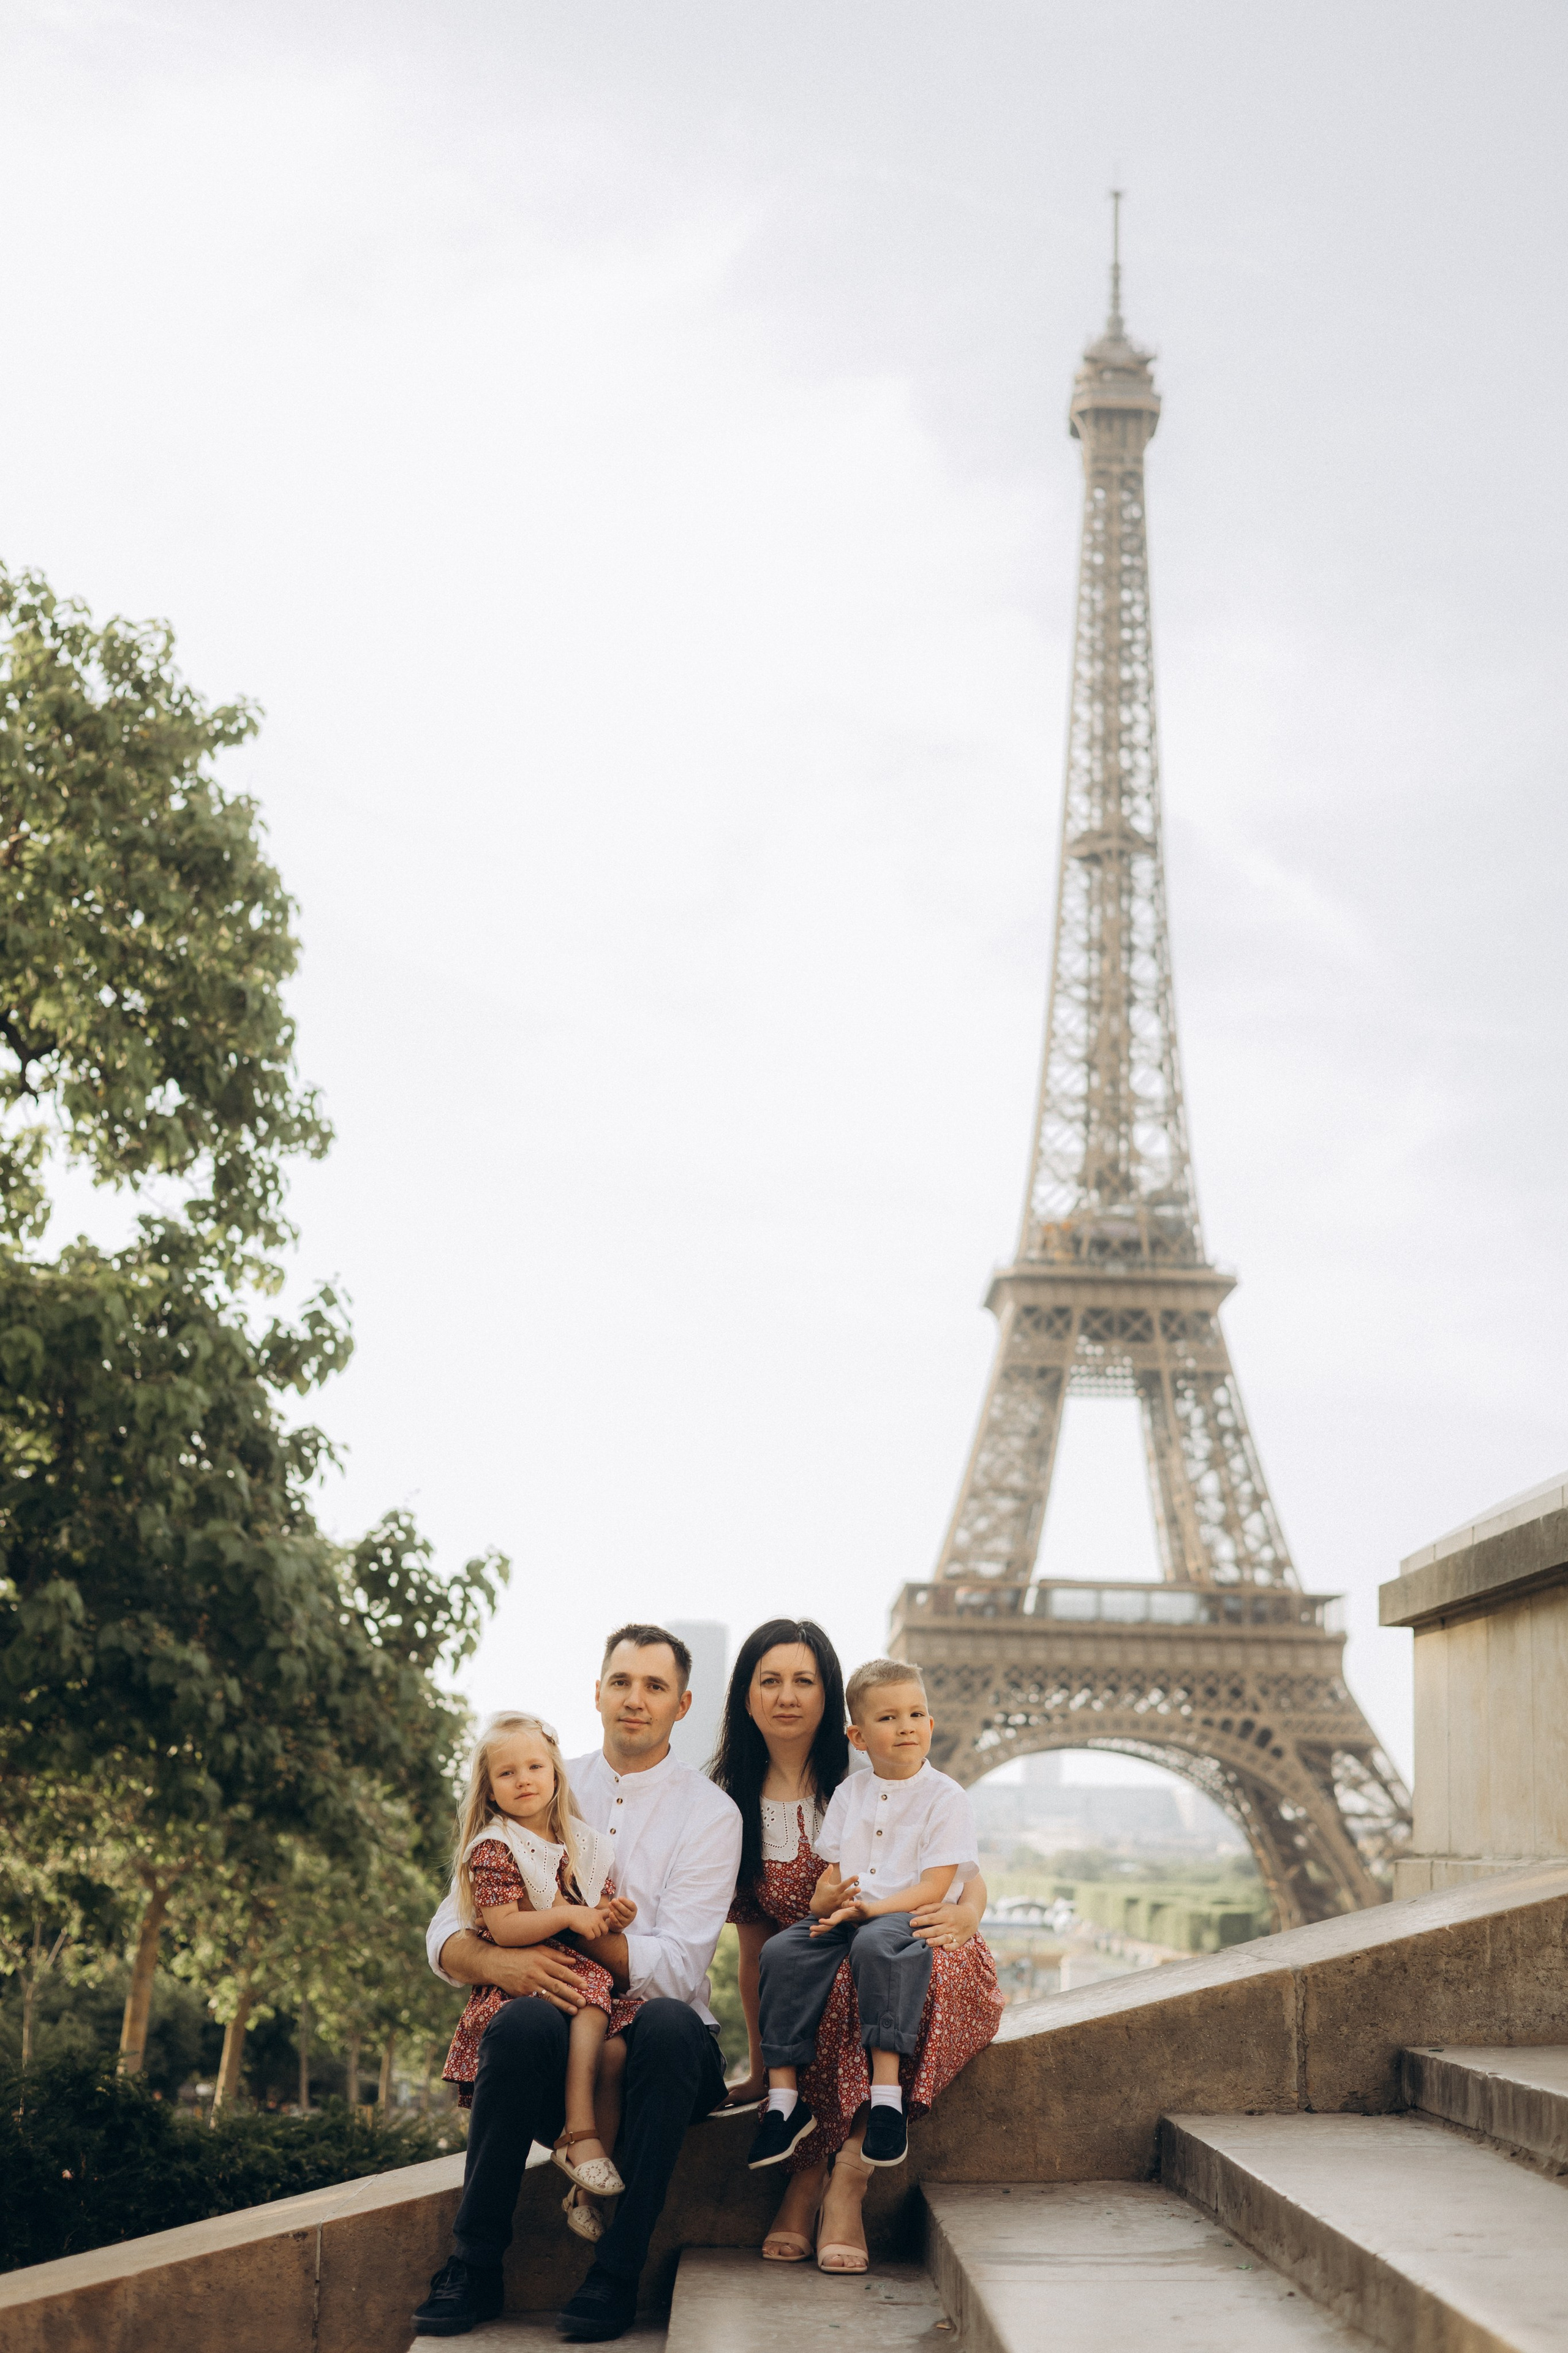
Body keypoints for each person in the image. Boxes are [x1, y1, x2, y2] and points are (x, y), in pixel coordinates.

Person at [413, 1626, 742, 2344]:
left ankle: (617, 2271)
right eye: (621, 1681)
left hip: (663, 2061)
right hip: (558, 2052)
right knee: (521, 2022)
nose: (635, 1699)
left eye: (654, 1686)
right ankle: (475, 2263)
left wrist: (570, 1925)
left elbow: (680, 1967)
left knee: (667, 2024)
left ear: (682, 1705)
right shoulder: (537, 1776)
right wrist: (498, 1960)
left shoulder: (711, 1813)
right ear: (596, 1692)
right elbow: (447, 1928)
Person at [709, 1623, 995, 2275]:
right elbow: (756, 1951)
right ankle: (803, 2139)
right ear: (745, 1695)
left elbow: (965, 1878)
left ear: (830, 1696)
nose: (787, 1696)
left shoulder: (869, 1769)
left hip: (905, 1938)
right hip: (825, 1945)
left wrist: (963, 1914)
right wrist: (759, 2069)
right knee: (810, 1966)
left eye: (804, 1680)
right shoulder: (729, 1805)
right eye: (770, 1680)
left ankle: (839, 2178)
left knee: (865, 1973)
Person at [747, 1655, 981, 2180]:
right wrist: (822, 1904)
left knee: (878, 1947)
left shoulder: (947, 1797)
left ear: (932, 1724)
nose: (906, 1726)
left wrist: (874, 1909)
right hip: (854, 1911)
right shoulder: (851, 1793)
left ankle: (886, 2096)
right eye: (889, 1717)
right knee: (781, 1951)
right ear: (857, 1735)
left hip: (904, 1914)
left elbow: (936, 1887)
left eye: (917, 1714)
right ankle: (785, 2099)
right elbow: (831, 1873)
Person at [439, 1712, 639, 2229]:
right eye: (507, 1773)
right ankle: (576, 2131)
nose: (524, 1778)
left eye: (534, 1766)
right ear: (489, 1790)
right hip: (523, 1990)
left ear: (555, 1774)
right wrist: (573, 1915)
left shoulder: (578, 1843)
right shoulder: (495, 1847)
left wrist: (612, 1916)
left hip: (572, 1971)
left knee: (616, 2052)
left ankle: (586, 2192)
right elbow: (504, 1928)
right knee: (590, 1992)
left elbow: (598, 1906)